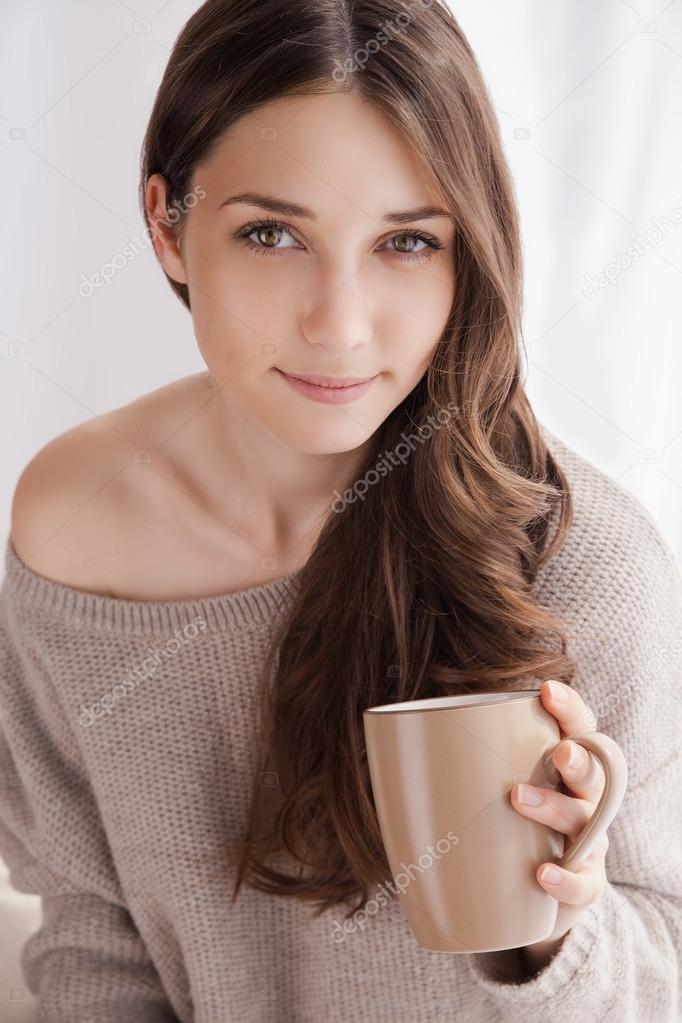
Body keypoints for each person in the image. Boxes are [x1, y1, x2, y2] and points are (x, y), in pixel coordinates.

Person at [1, 0, 680, 1020]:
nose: (339, 325)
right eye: (271, 234)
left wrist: (549, 931)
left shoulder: (577, 559)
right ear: (168, 227)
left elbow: (659, 981)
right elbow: (98, 936)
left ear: (467, 257)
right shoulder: (75, 520)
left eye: (406, 243)